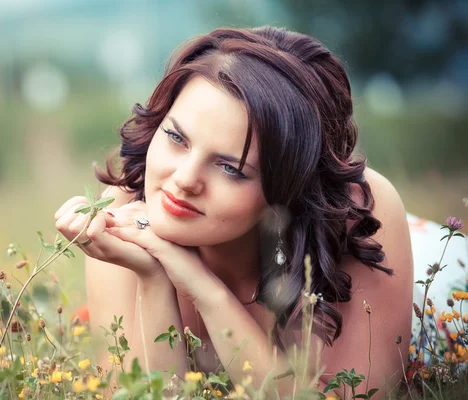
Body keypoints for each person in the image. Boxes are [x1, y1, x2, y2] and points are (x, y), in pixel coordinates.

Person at [54, 26, 414, 398]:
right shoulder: (121, 212)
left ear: (288, 188)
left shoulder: (362, 215)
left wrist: (203, 289)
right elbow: (141, 393)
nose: (184, 179)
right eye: (176, 138)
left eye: (230, 168)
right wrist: (155, 276)